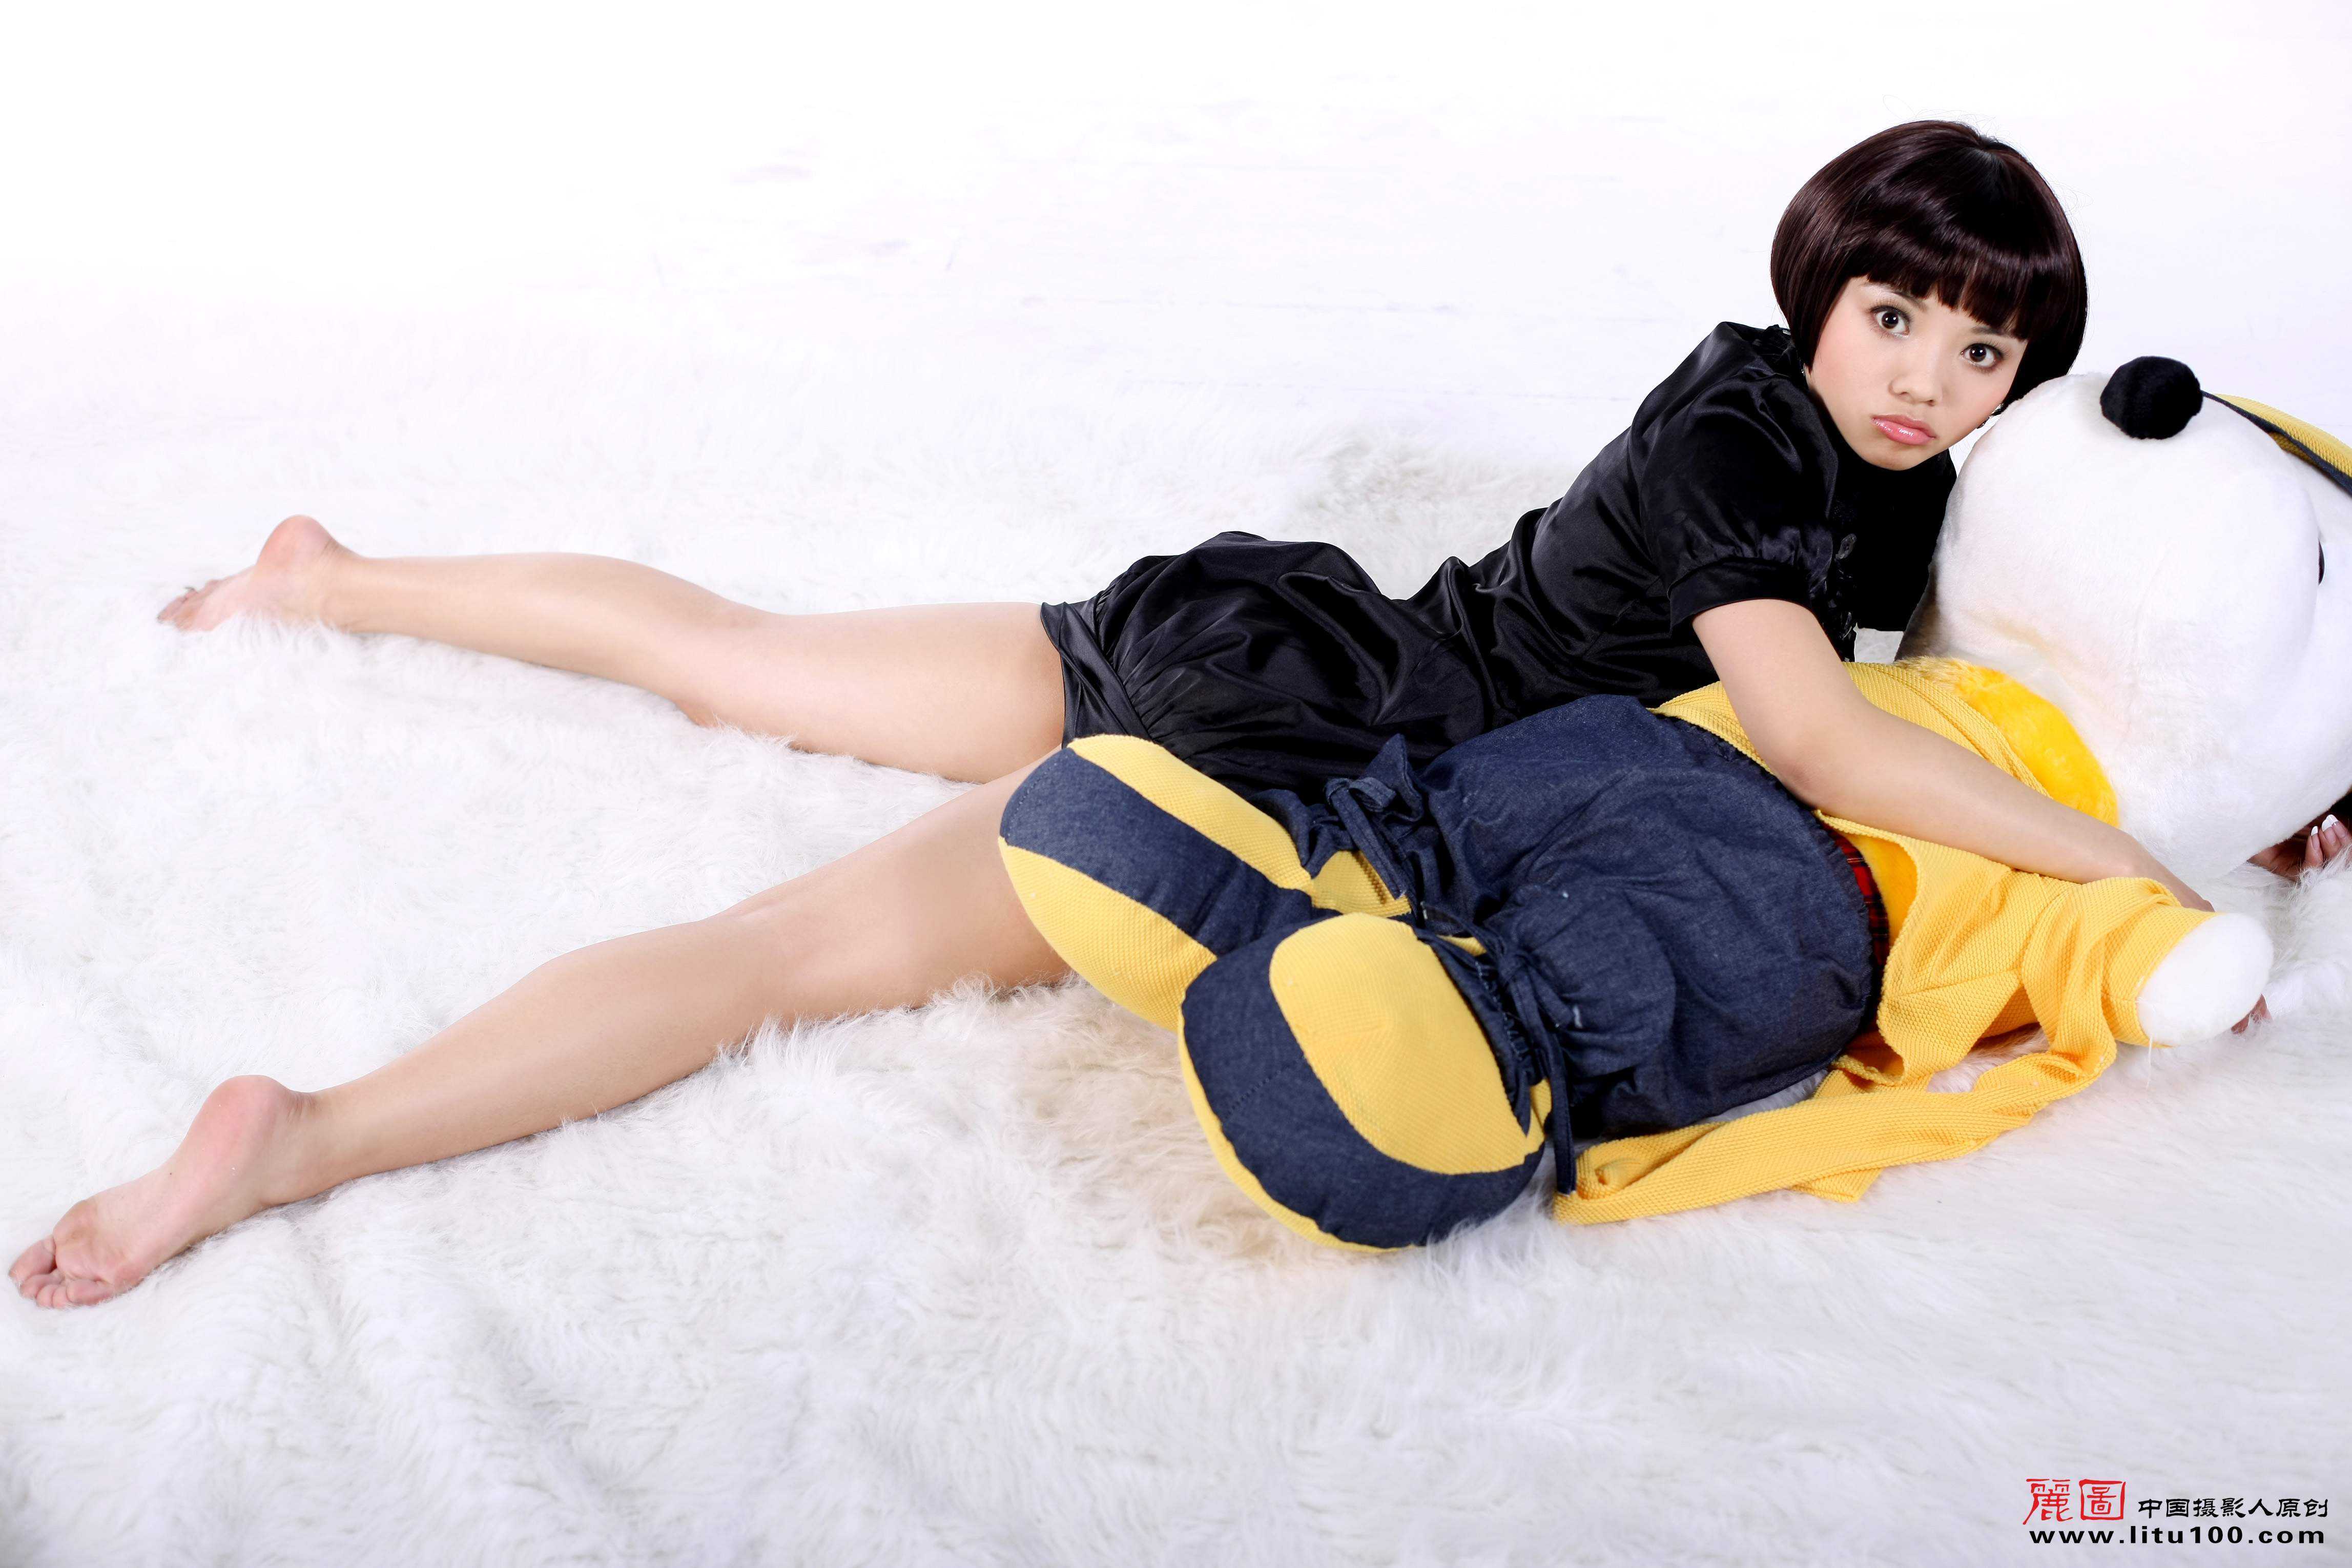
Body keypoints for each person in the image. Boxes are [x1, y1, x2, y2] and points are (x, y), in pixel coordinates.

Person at [13, 120, 2337, 1308]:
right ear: (1815, 293)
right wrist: (2128, 869)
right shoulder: (1745, 430)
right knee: (781, 913)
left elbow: (2046, 646)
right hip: (1311, 737)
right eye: (1894, 318)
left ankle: (330, 580)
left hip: (1313, 650)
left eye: (1981, 347)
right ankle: (303, 1124)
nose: (1928, 376)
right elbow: (1824, 744)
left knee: (750, 674)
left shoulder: (1914, 488)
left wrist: (2268, 791)